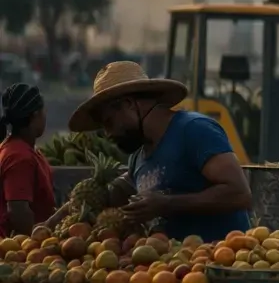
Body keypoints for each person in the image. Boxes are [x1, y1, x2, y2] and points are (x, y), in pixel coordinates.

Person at [70, 61, 252, 243]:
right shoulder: (139, 157)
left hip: (219, 260)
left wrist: (167, 204)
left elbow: (240, 194)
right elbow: (117, 190)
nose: (108, 134)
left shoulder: (194, 130)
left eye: (109, 122)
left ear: (129, 105)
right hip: (171, 266)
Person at [0, 83, 62, 237]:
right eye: (43, 111)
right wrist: (61, 215)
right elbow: (19, 215)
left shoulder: (26, 150)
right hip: (17, 248)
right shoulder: (19, 157)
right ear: (35, 115)